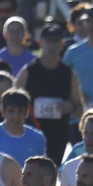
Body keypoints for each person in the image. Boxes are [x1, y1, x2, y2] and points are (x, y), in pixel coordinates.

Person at [12, 25, 81, 165]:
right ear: (40, 42)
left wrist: (70, 107)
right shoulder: (28, 72)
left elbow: (80, 110)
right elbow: (11, 101)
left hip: (57, 135)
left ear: (62, 44)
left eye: (56, 41)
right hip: (30, 132)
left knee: (50, 174)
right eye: (48, 40)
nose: (52, 45)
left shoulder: (68, 74)